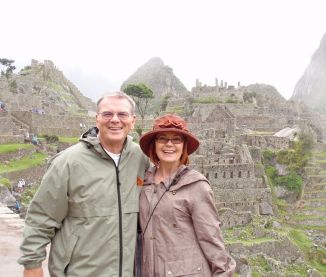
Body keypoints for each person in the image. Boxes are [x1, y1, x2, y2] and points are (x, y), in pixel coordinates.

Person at [18, 91, 150, 277]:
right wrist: (32, 264)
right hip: (80, 272)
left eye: (122, 114)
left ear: (132, 120)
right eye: (107, 114)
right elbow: (41, 217)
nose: (115, 120)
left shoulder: (141, 159)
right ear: (97, 119)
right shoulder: (68, 162)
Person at [138, 114, 236, 276]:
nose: (169, 144)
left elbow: (211, 238)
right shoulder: (144, 182)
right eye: (162, 139)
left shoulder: (196, 186)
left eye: (176, 139)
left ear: (184, 146)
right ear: (154, 145)